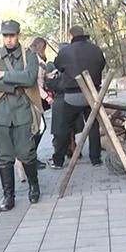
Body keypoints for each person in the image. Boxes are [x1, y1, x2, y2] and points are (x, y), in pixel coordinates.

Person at [0, 20, 42, 211]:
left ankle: (34, 186)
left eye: (12, 35)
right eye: (5, 36)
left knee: (26, 153)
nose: (8, 39)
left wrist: (4, 76)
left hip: (22, 110)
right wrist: (14, 83)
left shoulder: (29, 56)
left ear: (18, 35)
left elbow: (30, 77)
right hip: (1, 112)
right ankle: (8, 196)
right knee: (4, 156)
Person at [50, 25, 106, 168]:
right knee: (93, 125)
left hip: (72, 95)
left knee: (65, 128)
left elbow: (58, 65)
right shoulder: (96, 49)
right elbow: (102, 65)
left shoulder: (66, 51)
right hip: (92, 94)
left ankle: (58, 160)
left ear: (71, 36)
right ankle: (95, 158)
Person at [29, 37, 53, 169]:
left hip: (35, 97)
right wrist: (46, 97)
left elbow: (39, 78)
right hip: (35, 98)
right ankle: (31, 157)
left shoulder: (34, 59)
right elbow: (35, 83)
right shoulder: (36, 61)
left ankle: (31, 156)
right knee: (40, 127)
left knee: (38, 128)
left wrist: (47, 76)